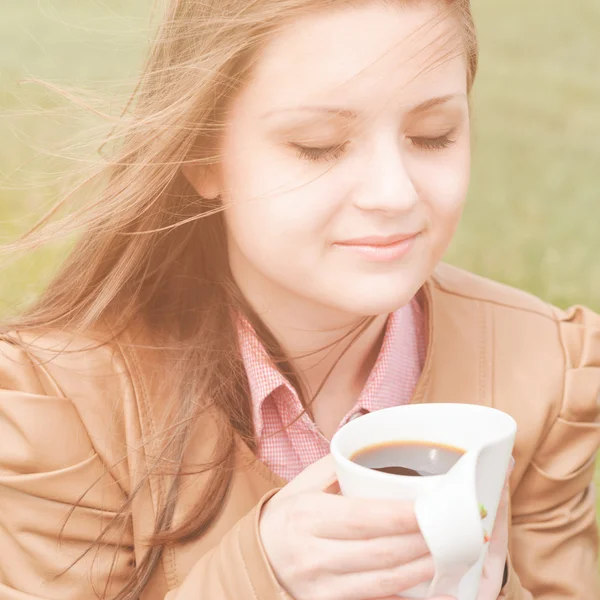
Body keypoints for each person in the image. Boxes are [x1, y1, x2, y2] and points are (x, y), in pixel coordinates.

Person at [0, 0, 599, 599]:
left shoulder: (544, 372)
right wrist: (258, 578)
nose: (393, 193)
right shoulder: (63, 407)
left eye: (431, 136)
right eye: (318, 145)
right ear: (203, 156)